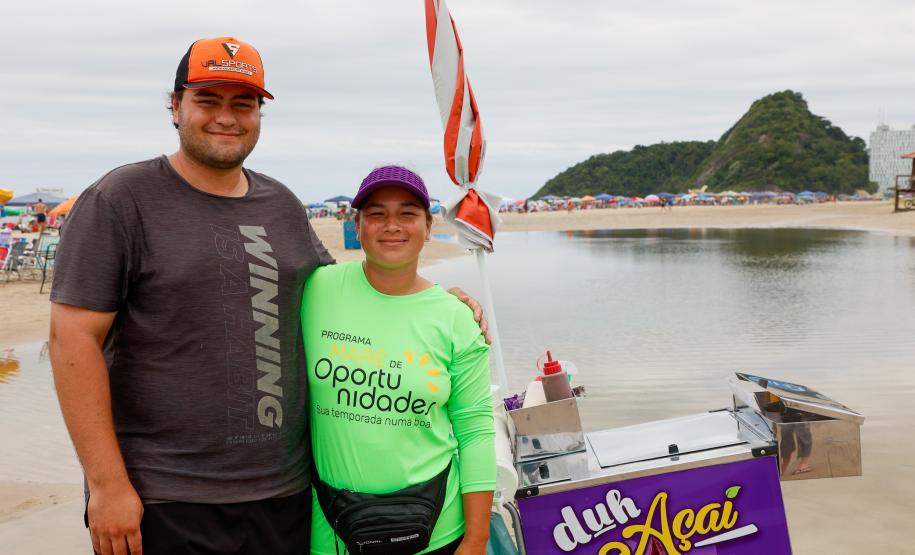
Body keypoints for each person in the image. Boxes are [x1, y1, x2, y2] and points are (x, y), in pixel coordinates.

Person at [49, 37, 488, 555]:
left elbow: (349, 292)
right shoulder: (122, 199)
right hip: (167, 493)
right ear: (175, 106)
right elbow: (72, 338)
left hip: (285, 493)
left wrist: (438, 300)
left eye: (243, 104)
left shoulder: (279, 203)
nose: (226, 118)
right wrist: (106, 484)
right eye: (207, 100)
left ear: (260, 113)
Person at [302, 166, 496, 555]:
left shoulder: (456, 317)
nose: (392, 225)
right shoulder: (314, 290)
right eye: (376, 214)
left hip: (438, 531)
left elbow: (475, 431)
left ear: (428, 226)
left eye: (407, 213)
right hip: (332, 534)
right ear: (357, 226)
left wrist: (476, 540)